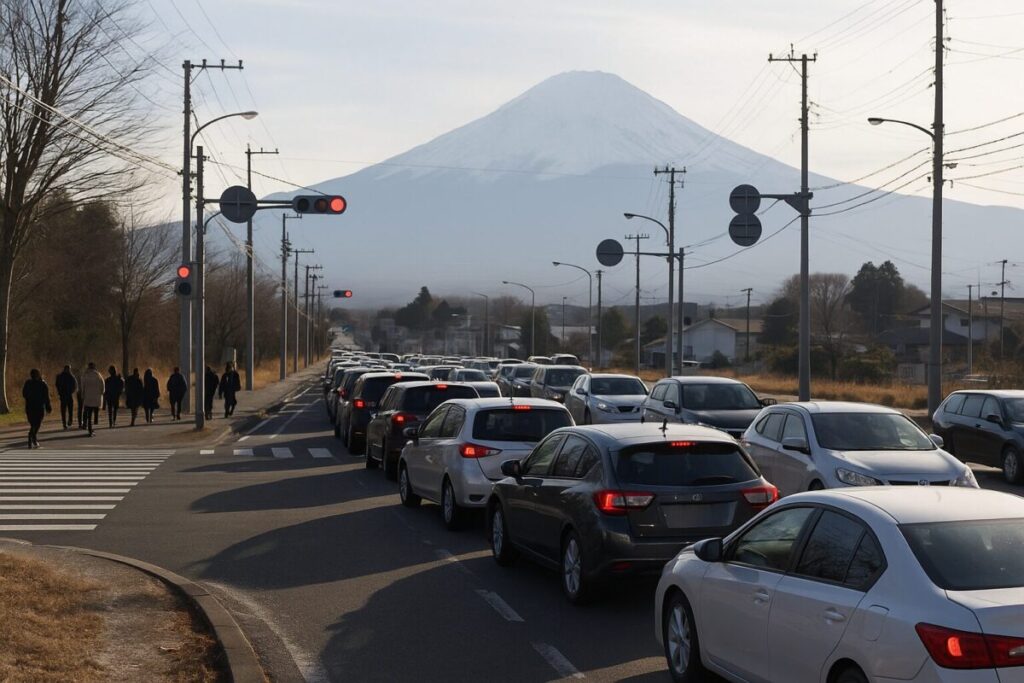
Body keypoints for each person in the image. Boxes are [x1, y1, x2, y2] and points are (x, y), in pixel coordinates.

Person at [22, 369, 51, 449]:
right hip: (39, 407)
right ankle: (32, 436)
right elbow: (46, 397)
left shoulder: (28, 383)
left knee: (33, 423)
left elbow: (24, 394)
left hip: (30, 407)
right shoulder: (42, 384)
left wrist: (29, 398)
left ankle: (32, 437)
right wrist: (48, 406)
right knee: (37, 424)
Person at [80, 362, 105, 437]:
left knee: (89, 414)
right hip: (96, 398)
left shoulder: (85, 375)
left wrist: (82, 395)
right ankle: (93, 426)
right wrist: (101, 393)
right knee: (94, 412)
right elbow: (102, 386)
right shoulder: (98, 375)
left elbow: (82, 386)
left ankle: (90, 429)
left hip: (88, 398)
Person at [54, 365, 77, 430]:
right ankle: (67, 422)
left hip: (65, 395)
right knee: (68, 409)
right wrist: (71, 391)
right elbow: (75, 385)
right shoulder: (70, 376)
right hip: (66, 395)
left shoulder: (61, 376)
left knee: (66, 410)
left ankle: (67, 422)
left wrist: (60, 392)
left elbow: (57, 385)